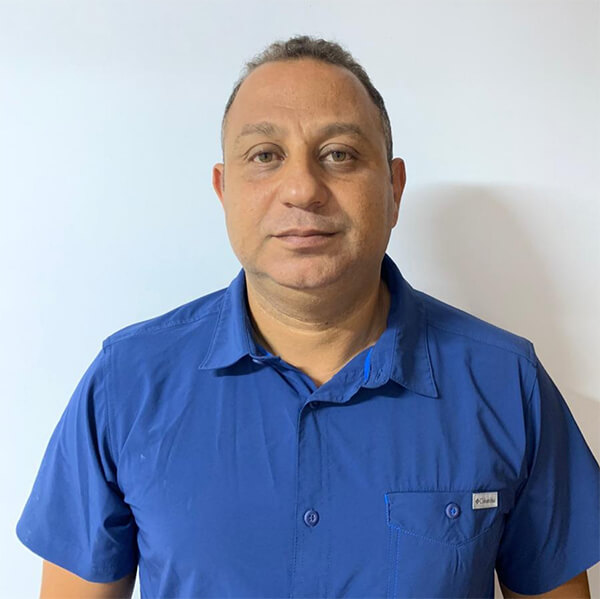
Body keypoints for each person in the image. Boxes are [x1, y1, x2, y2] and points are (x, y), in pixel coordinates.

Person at [16, 35, 599, 599]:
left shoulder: (506, 382)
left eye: (339, 154)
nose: (302, 189)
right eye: (265, 156)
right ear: (223, 190)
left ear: (394, 188)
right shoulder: (126, 383)